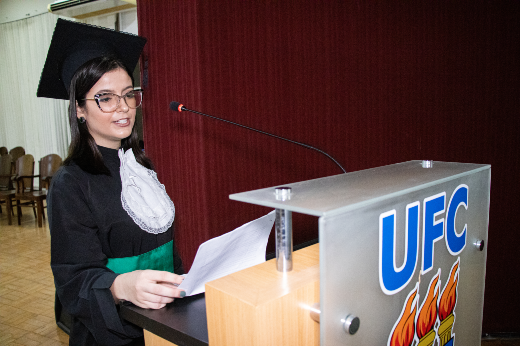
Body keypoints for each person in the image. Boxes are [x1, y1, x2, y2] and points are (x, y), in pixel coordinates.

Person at [37, 19, 185, 346]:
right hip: (113, 332)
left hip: (164, 320)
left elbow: (163, 248)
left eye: (128, 95)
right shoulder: (70, 183)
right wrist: (120, 287)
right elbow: (73, 278)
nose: (123, 107)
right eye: (105, 97)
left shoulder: (141, 167)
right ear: (79, 109)